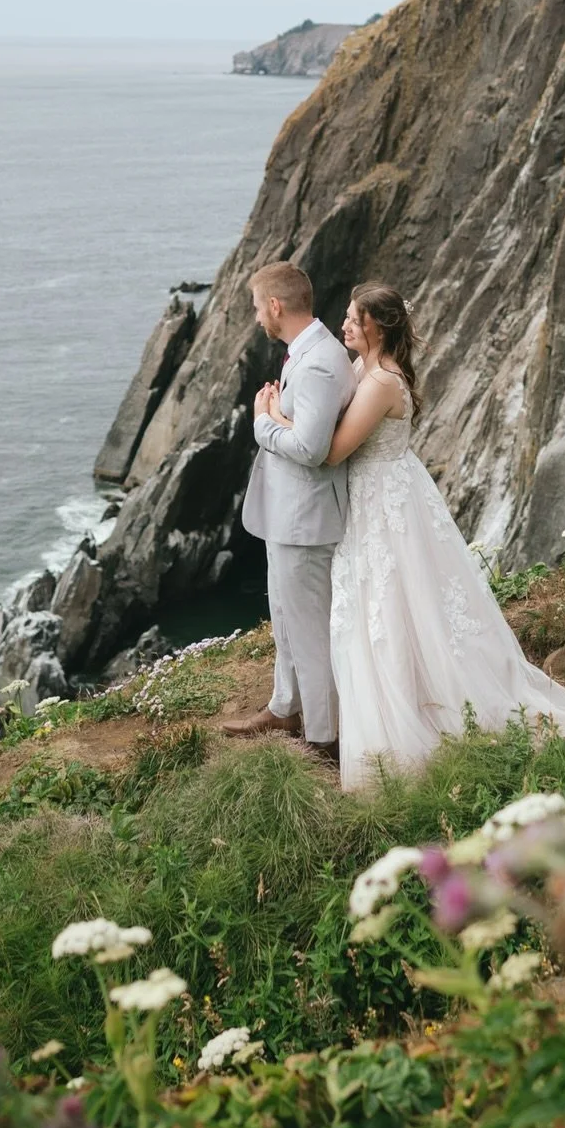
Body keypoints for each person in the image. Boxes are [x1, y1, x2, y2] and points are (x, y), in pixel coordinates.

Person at [260, 280, 565, 789]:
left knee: (395, 603)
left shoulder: (380, 383)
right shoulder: (362, 368)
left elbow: (331, 451)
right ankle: (394, 694)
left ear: (374, 326)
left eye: (353, 318)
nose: (344, 324)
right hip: (375, 497)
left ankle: (414, 708)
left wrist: (275, 417)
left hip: (383, 500)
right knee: (385, 605)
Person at [222, 261, 357, 760]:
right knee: (284, 618)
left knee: (309, 633)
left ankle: (322, 740)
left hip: (306, 520)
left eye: (258, 307)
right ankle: (284, 706)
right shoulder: (307, 352)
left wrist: (263, 420)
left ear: (275, 306)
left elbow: (312, 447)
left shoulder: (320, 362)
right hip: (290, 515)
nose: (257, 317)